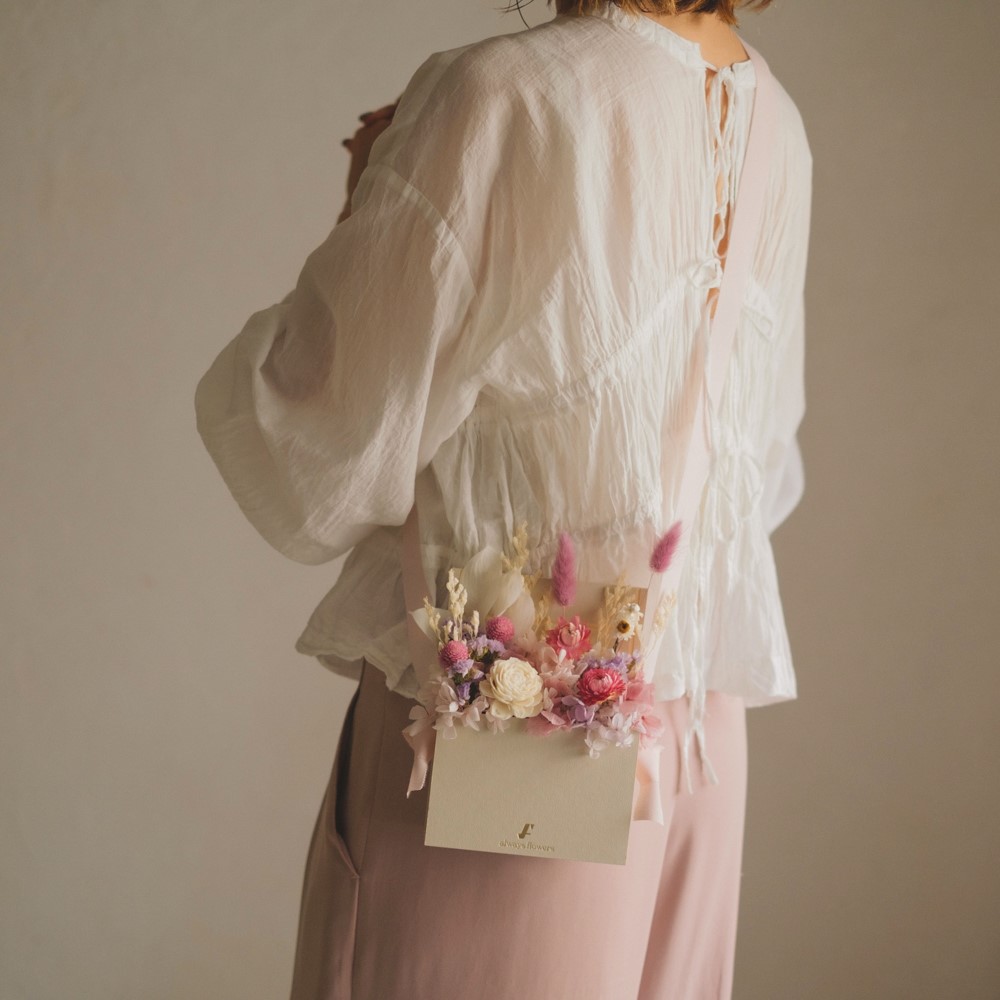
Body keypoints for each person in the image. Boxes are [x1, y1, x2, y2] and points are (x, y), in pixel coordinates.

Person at [193, 0, 811, 996]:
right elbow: (761, 474)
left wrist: (367, 215)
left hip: (517, 737)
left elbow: (317, 462)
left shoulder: (502, 96)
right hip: (694, 739)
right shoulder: (776, 124)